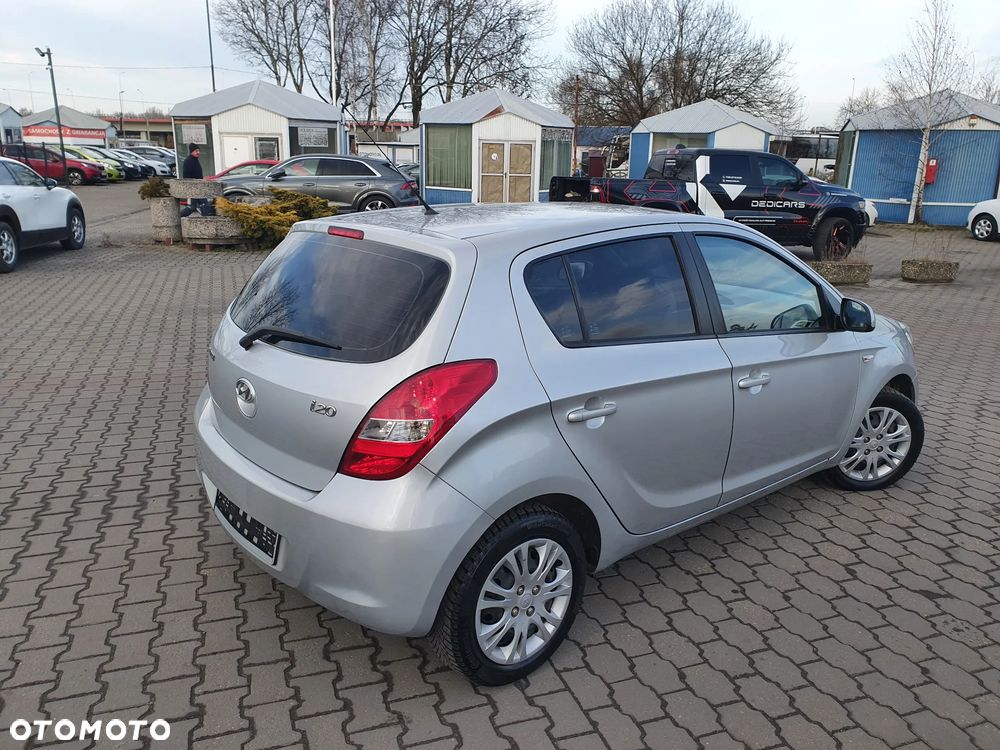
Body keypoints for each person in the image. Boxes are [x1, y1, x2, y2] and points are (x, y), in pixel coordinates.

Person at [180, 143, 208, 216]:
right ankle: (178, 216)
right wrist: (195, 182)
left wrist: (202, 179)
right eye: (196, 151)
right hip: (194, 187)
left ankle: (179, 216)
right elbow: (186, 177)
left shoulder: (195, 160)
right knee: (203, 205)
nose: (198, 152)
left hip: (199, 186)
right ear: (191, 151)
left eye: (198, 150)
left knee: (194, 206)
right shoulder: (188, 161)